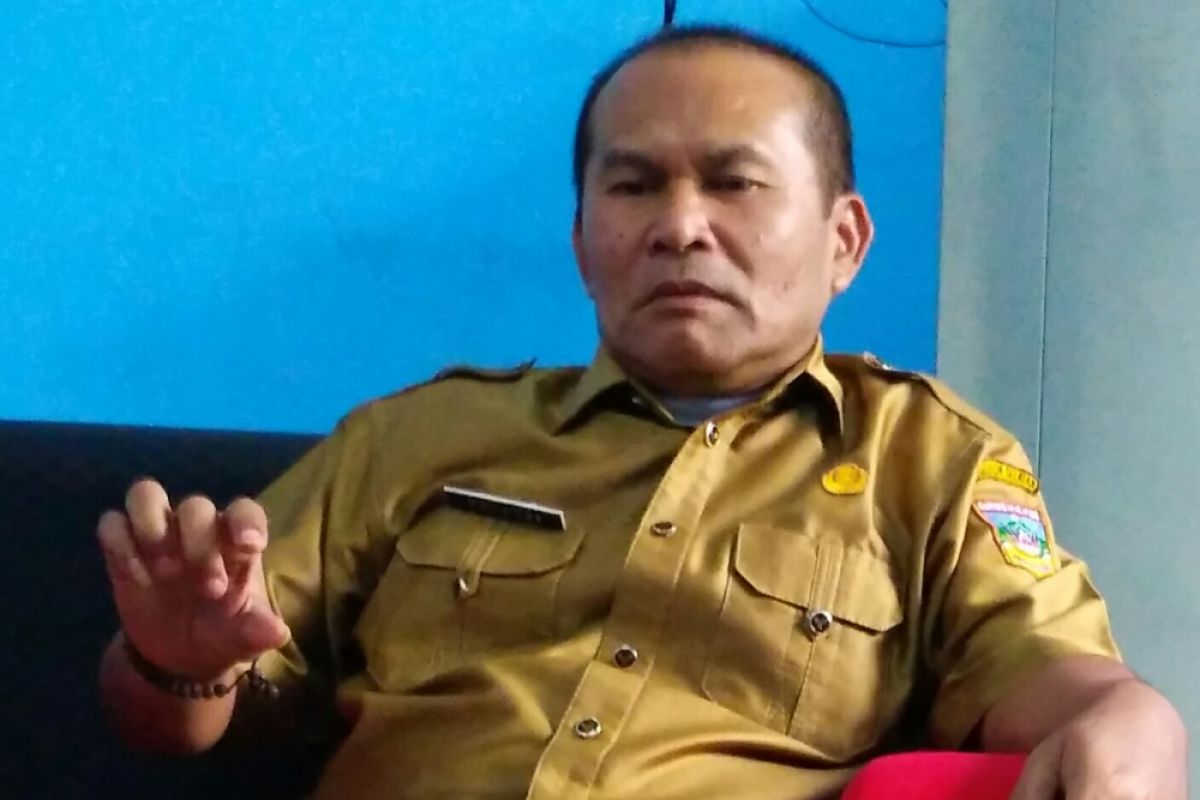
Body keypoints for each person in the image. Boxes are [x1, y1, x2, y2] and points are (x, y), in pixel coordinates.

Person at [96, 24, 1187, 800]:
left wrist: (1133, 714)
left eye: (734, 183)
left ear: (845, 241)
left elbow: (1046, 673)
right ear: (582, 242)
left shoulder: (931, 462)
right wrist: (174, 660)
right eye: (633, 186)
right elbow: (169, 719)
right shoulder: (417, 439)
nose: (680, 226)